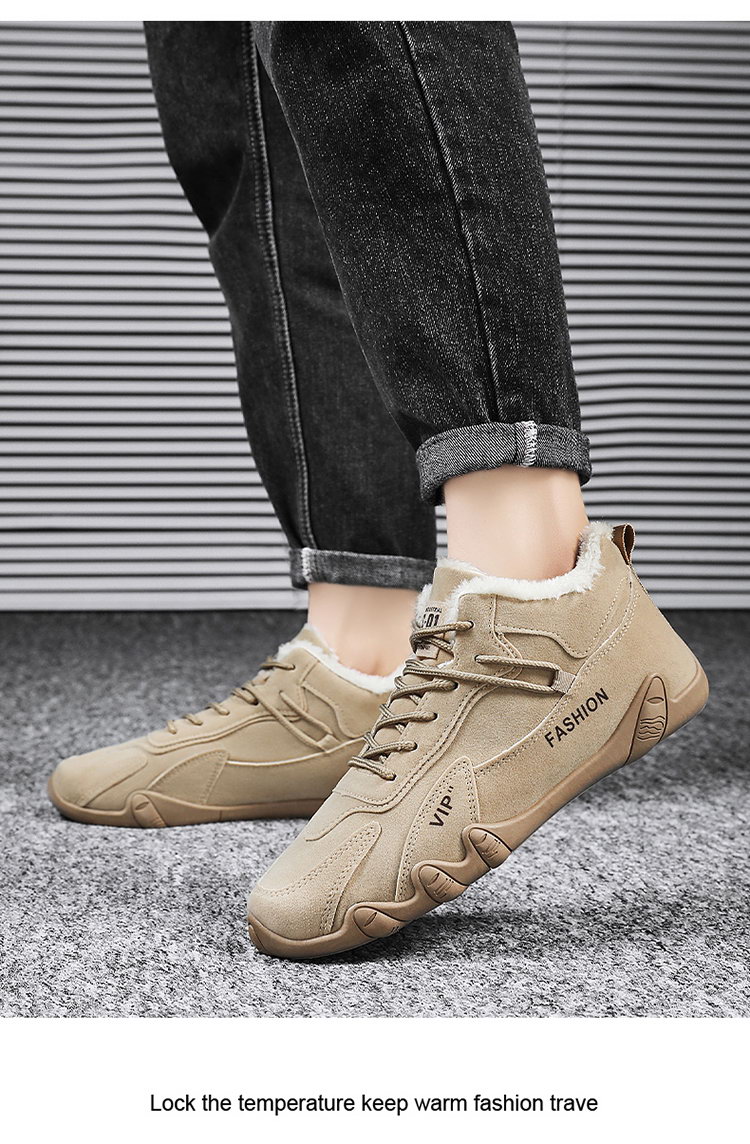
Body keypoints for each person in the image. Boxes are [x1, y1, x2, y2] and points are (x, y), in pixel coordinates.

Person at [47, 23, 708, 957]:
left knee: (354, 29)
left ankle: (538, 600)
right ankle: (359, 662)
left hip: (542, 627)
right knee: (235, 97)